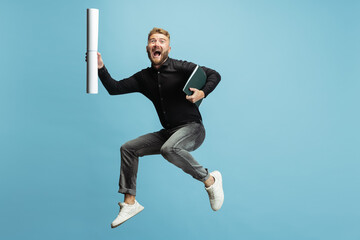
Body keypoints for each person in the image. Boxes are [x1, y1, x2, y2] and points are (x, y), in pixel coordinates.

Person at [88, 27, 224, 228]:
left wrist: (202, 93)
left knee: (169, 149)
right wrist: (100, 67)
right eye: (153, 41)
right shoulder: (144, 78)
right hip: (168, 132)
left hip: (192, 128)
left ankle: (210, 180)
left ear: (168, 47)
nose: (157, 44)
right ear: (147, 48)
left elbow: (214, 74)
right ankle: (130, 203)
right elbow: (114, 88)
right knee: (128, 148)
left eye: (161, 41)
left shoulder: (181, 67)